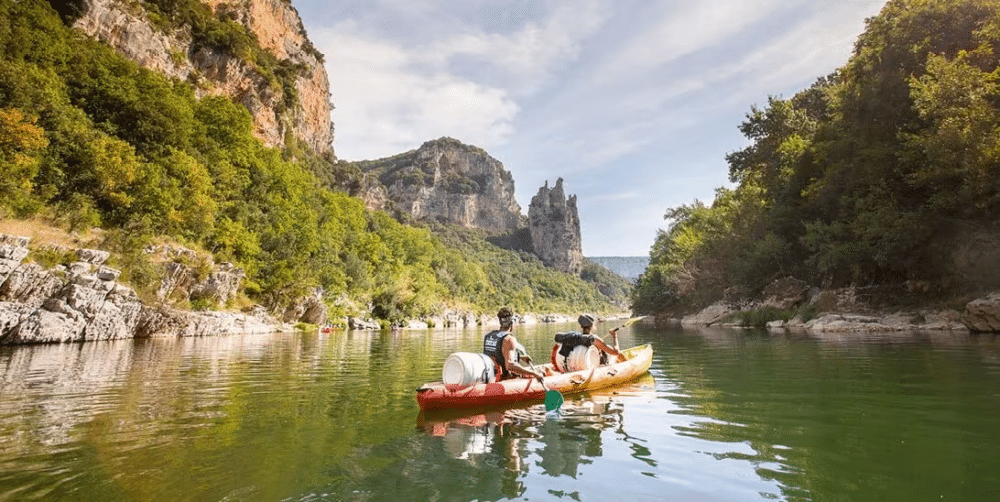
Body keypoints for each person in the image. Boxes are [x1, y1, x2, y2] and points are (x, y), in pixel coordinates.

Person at [483, 307, 546, 381]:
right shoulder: (509, 339)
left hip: (490, 375)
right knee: (544, 371)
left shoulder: (488, 336)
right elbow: (510, 366)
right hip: (505, 378)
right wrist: (533, 373)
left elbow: (498, 354)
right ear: (512, 324)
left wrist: (520, 357)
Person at [551, 314, 623, 370]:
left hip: (579, 365)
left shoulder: (577, 338)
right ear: (592, 326)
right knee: (620, 354)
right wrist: (614, 336)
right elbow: (616, 352)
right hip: (592, 367)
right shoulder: (594, 339)